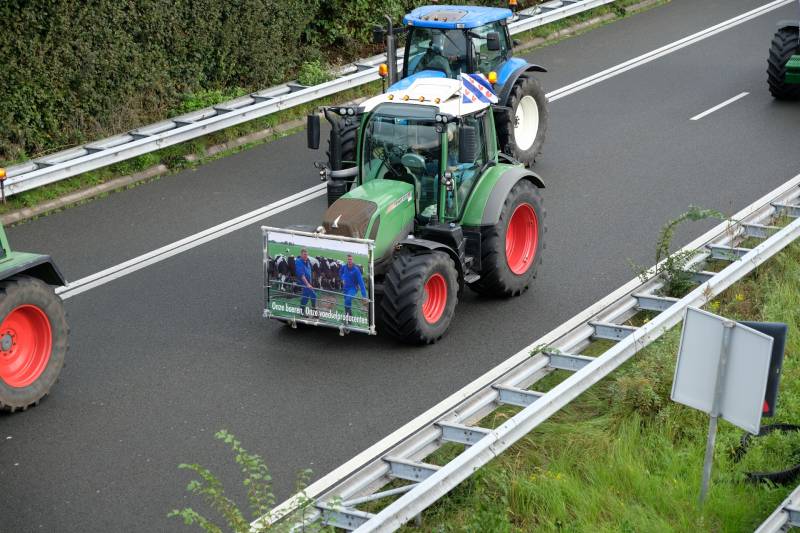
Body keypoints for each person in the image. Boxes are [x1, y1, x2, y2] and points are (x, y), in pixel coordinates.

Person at [340, 254, 367, 321]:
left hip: (353, 288)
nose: (349, 261)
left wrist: (364, 296)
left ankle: (346, 317)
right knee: (347, 303)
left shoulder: (356, 270)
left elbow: (361, 283)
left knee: (348, 299)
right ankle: (350, 317)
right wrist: (342, 278)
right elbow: (340, 272)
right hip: (345, 288)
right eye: (348, 259)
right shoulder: (344, 267)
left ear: (353, 260)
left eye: (351, 259)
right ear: (347, 259)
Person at [295, 248, 316, 316]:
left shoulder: (307, 262)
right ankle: (305, 311)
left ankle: (311, 310)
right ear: (301, 254)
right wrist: (307, 284)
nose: (305, 256)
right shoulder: (298, 262)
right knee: (307, 296)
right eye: (304, 254)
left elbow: (310, 272)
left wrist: (310, 283)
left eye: (306, 254)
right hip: (303, 282)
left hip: (308, 283)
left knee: (310, 295)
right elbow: (302, 275)